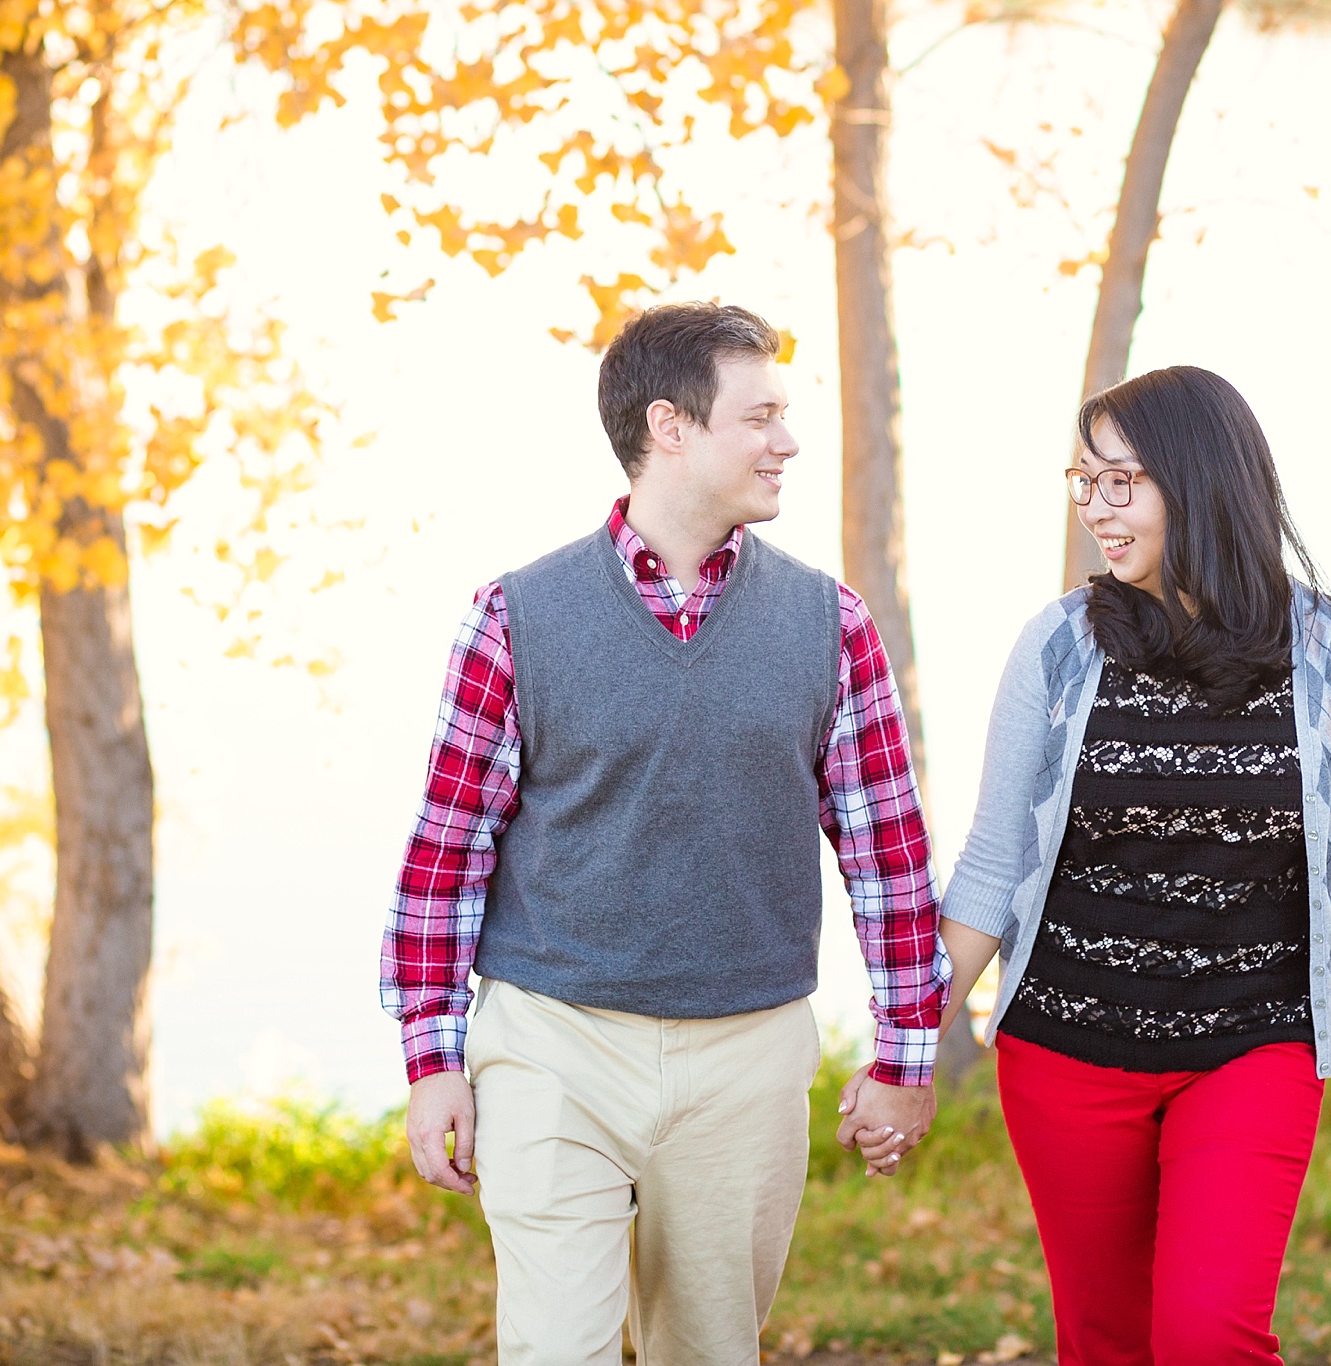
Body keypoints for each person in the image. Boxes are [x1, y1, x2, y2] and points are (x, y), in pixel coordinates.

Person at [381, 302, 951, 1366]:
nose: (786, 440)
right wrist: (432, 1057)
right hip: (552, 1044)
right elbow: (445, 854)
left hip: (747, 1050)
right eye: (762, 415)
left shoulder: (831, 625)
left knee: (709, 1350)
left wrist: (904, 1051)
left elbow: (887, 856)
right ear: (670, 427)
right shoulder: (515, 615)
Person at [851, 366, 1331, 1364]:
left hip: (1253, 1046)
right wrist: (910, 1047)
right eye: (1083, 482)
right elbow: (994, 862)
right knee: (1105, 1341)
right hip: (1064, 1050)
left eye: (1122, 482)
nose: (1096, 509)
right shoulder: (1061, 645)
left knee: (1206, 1337)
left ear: (1199, 481)